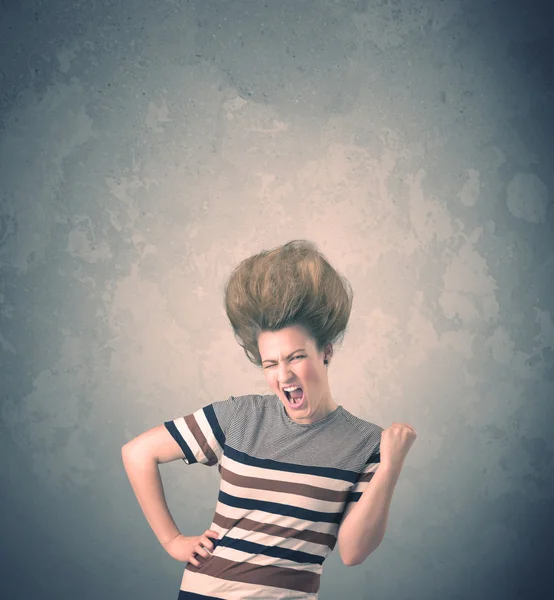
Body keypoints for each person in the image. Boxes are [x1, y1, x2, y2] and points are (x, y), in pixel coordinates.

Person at [122, 239, 417, 599]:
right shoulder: (241, 416)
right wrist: (172, 540)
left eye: (295, 357)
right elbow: (137, 453)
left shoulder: (366, 443)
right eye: (270, 364)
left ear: (326, 351)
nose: (284, 375)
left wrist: (390, 467)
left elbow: (353, 552)